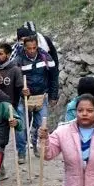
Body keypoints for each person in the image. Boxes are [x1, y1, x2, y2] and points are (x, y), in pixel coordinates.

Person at [13, 34, 59, 165]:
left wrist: (53, 95)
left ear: (37, 46)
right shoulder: (18, 60)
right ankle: (21, 152)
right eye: (29, 48)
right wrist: (21, 88)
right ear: (24, 47)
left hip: (41, 97)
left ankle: (36, 145)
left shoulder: (45, 57)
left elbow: (54, 77)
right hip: (24, 98)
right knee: (21, 127)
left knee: (41, 125)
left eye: (34, 48)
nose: (32, 51)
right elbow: (13, 79)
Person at [0, 42, 23, 108]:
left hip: (10, 107)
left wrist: (26, 93)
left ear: (8, 55)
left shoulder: (15, 70)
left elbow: (20, 90)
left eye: (1, 54)